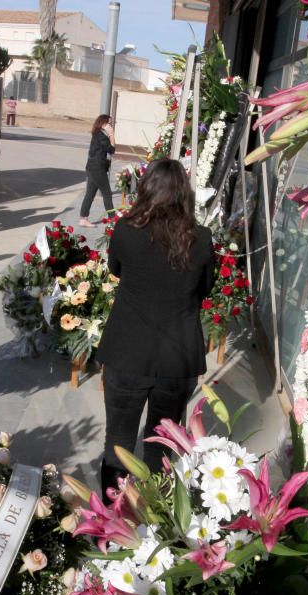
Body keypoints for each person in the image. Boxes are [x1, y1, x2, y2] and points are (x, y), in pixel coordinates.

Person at [95, 159, 216, 490]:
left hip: (127, 354)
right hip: (176, 359)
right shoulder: (201, 239)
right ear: (184, 195)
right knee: (162, 442)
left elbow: (117, 270)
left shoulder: (125, 231)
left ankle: (113, 515)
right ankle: (154, 514)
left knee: (118, 442)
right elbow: (204, 289)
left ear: (146, 190)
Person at [78, 114, 116, 227]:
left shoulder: (98, 134)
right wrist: (112, 135)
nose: (111, 125)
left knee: (90, 194)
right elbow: (112, 149)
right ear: (103, 124)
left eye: (111, 123)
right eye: (109, 123)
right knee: (107, 193)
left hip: (92, 167)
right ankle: (112, 218)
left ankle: (83, 219)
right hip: (97, 169)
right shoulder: (102, 136)